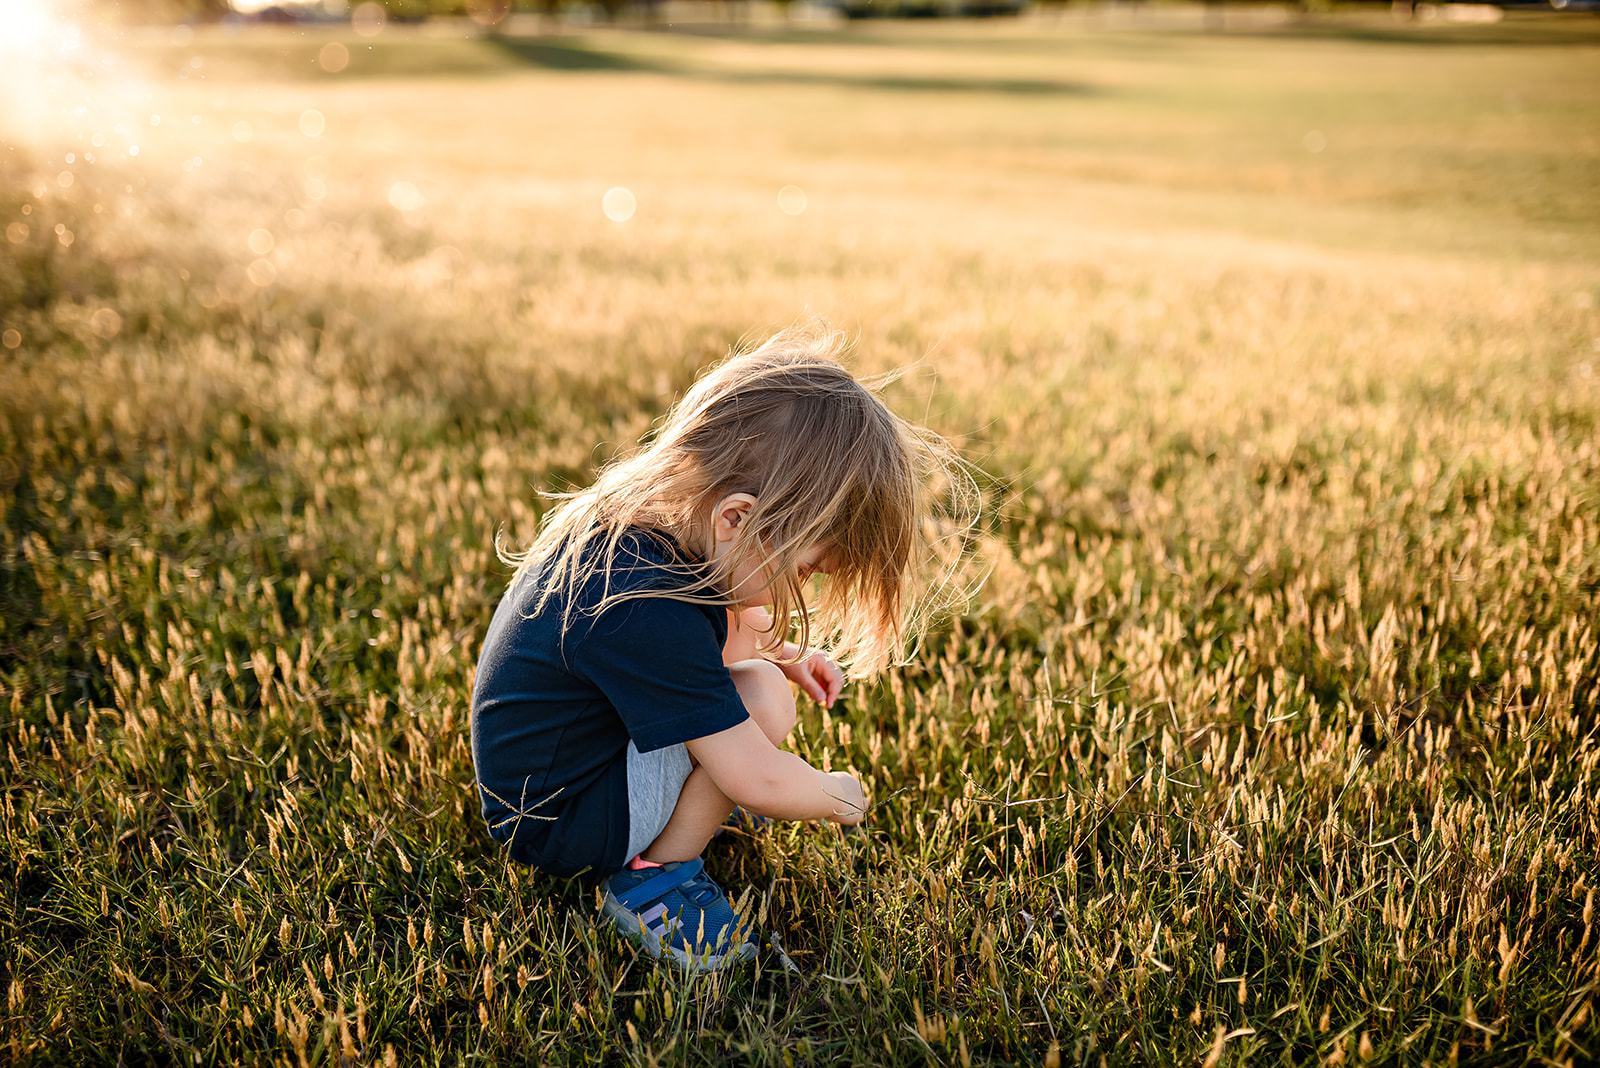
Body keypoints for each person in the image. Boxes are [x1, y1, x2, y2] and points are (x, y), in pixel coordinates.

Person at [470, 325, 977, 971]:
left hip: (551, 779)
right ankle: (654, 875)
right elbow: (756, 777)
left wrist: (786, 653)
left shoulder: (637, 542)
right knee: (760, 702)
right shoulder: (641, 608)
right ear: (737, 519)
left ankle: (673, 816)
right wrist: (837, 794)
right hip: (561, 821)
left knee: (761, 677)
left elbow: (700, 638)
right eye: (802, 572)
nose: (798, 589)